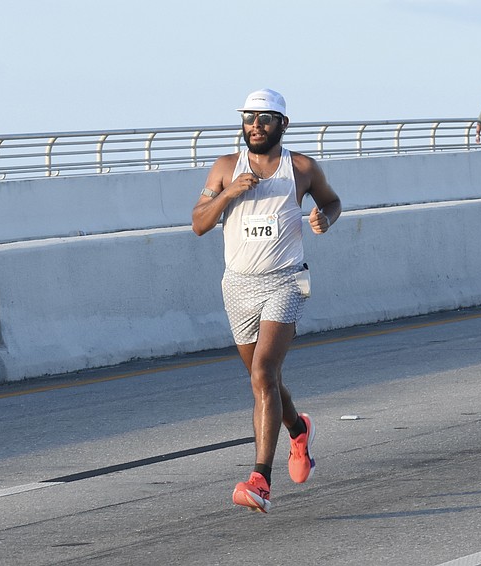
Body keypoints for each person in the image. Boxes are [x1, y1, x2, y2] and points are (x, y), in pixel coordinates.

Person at [191, 88, 342, 513]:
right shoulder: (225, 168)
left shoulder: (302, 168)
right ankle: (298, 429)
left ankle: (260, 479)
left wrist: (322, 219)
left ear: (282, 124)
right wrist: (228, 194)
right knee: (265, 383)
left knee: (263, 372)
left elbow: (332, 202)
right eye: (249, 118)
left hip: (286, 281)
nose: (255, 125)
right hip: (237, 285)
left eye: (265, 119)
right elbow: (199, 224)